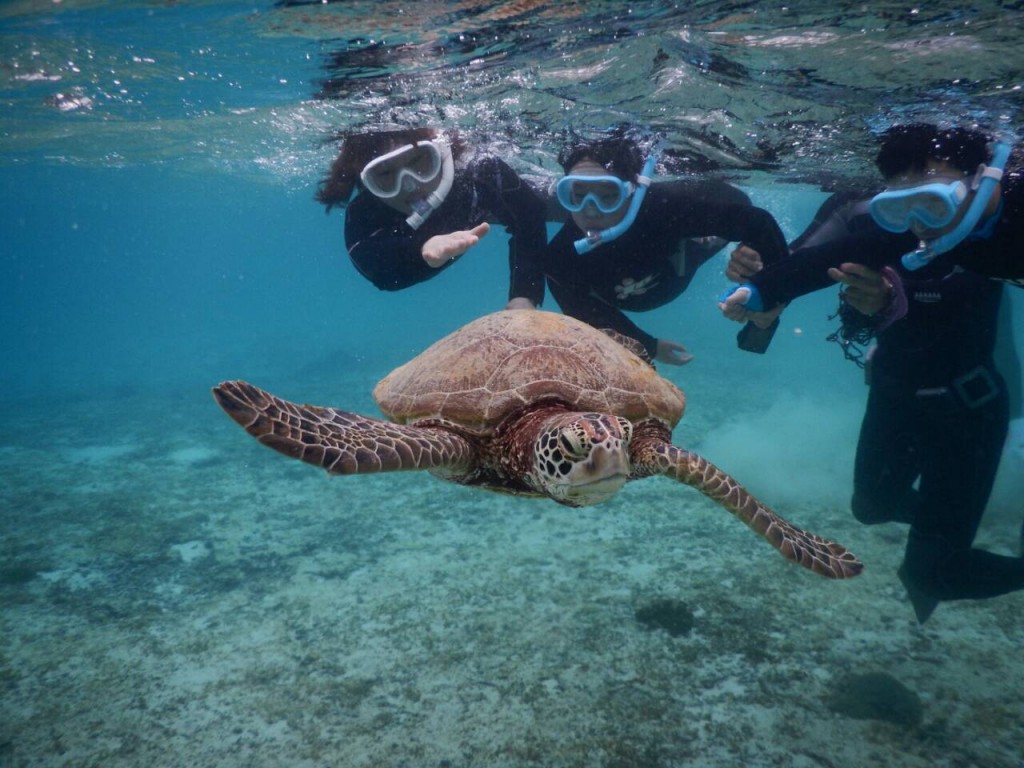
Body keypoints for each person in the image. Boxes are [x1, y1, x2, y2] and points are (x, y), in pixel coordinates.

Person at [719, 128, 1024, 622]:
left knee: (931, 575)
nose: (918, 223)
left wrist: (893, 298)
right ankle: (948, 522)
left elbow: (967, 292)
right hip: (896, 388)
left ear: (983, 177)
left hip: (968, 403)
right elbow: (812, 263)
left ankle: (942, 541)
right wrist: (760, 287)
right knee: (871, 506)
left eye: (933, 200)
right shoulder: (894, 225)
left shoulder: (1001, 214)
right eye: (897, 205)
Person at [533, 130, 791, 365]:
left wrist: (767, 288)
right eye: (577, 194)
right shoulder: (559, 257)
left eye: (608, 195)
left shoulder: (666, 208)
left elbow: (757, 221)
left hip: (683, 259)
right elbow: (588, 313)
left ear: (632, 191)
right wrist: (649, 346)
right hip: (636, 292)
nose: (590, 210)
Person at [316, 127, 547, 309]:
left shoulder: (479, 172)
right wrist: (420, 250)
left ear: (442, 153)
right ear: (367, 182)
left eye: (418, 162)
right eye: (385, 173)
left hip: (487, 201)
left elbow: (529, 214)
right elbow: (377, 269)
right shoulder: (365, 212)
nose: (410, 185)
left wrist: (524, 296)